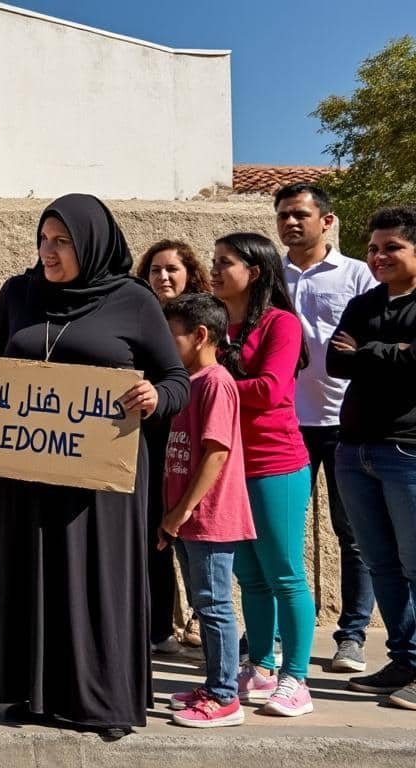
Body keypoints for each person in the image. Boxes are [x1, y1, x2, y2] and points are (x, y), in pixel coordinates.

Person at [0, 193, 190, 739]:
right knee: (32, 576)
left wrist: (155, 397)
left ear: (90, 242)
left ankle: (102, 702)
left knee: (96, 583)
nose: (49, 251)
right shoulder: (19, 293)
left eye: (62, 241)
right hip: (27, 471)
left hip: (100, 479)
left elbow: (176, 381)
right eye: (43, 239)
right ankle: (34, 694)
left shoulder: (133, 299)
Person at [209, 232, 316, 717]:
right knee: (250, 577)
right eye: (213, 261)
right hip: (230, 466)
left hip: (276, 464)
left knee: (285, 574)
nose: (213, 270)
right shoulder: (216, 325)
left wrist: (212, 384)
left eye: (224, 262)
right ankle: (262, 664)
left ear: (254, 272)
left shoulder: (281, 324)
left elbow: (271, 390)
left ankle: (297, 678)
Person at [275, 183, 379, 674]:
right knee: (280, 533)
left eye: (299, 214)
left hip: (344, 423)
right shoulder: (270, 276)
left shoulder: (357, 274)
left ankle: (352, 636)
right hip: (284, 425)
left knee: (352, 533)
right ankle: (274, 633)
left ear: (327, 220)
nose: (291, 223)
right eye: (283, 216)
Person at [330, 205, 416, 711]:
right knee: (382, 563)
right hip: (354, 451)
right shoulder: (364, 303)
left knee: (414, 562)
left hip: (406, 451)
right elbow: (334, 359)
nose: (379, 256)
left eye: (392, 248)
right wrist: (393, 351)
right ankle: (404, 660)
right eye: (374, 248)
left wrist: (367, 352)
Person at [159, 293, 255, 728]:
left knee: (214, 605)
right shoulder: (189, 382)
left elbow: (216, 454)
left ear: (200, 336)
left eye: (170, 334)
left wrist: (180, 512)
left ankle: (223, 696)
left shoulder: (215, 382)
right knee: (204, 600)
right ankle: (213, 685)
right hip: (184, 519)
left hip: (209, 518)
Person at [136, 239, 212, 652]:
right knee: (156, 532)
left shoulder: (204, 318)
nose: (162, 277)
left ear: (189, 276)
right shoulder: (137, 313)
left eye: (171, 270)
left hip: (192, 436)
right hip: (150, 437)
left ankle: (203, 616)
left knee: (195, 531)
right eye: (154, 270)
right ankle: (159, 625)